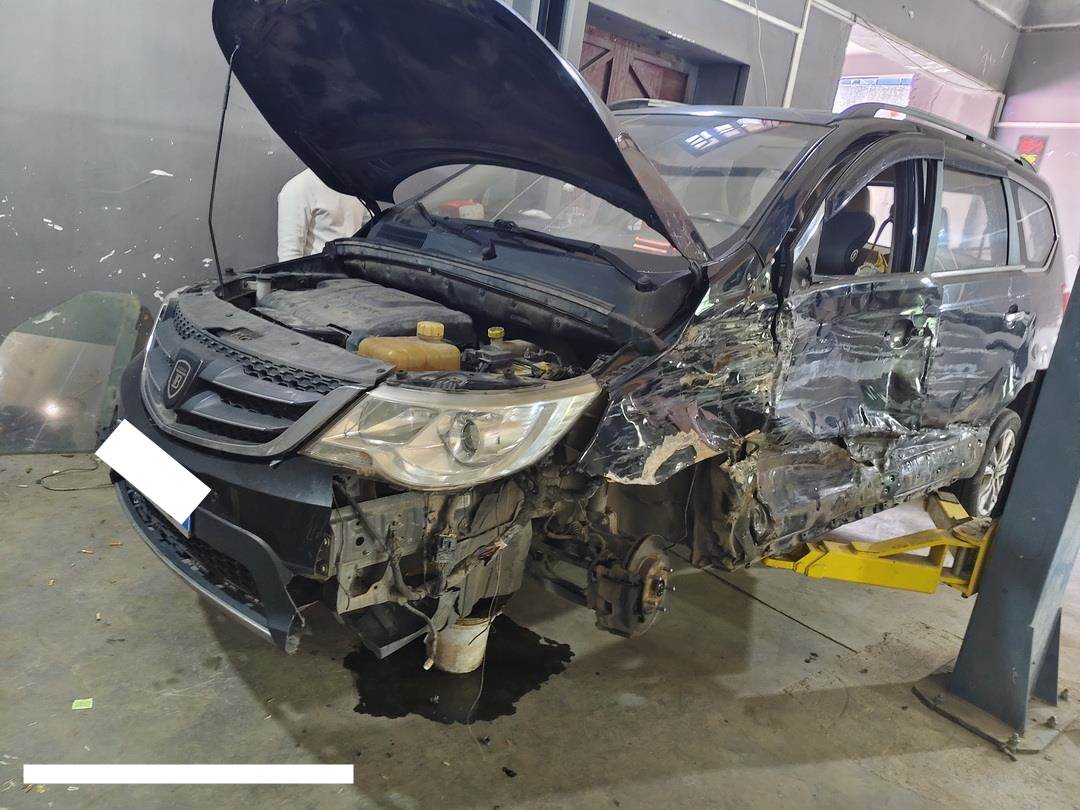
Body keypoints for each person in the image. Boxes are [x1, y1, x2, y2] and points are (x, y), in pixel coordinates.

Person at [277, 168, 370, 261]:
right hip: (318, 269)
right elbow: (289, 256)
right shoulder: (298, 188)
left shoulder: (357, 185)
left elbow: (370, 231)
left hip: (358, 268)